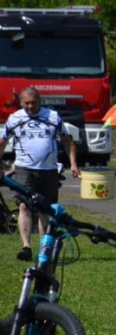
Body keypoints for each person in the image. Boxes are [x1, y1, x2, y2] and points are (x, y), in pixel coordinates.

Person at [0, 87, 79, 261]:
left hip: (48, 170)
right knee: (24, 205)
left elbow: (67, 141)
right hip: (24, 168)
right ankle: (26, 246)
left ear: (40, 100)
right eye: (26, 103)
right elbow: (2, 142)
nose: (30, 106)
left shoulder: (53, 117)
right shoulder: (14, 119)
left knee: (46, 210)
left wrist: (73, 164)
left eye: (33, 102)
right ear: (20, 102)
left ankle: (44, 247)